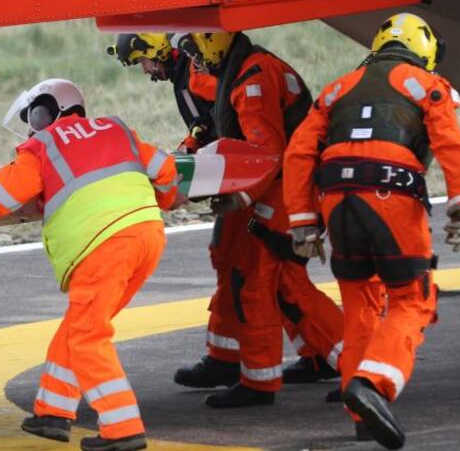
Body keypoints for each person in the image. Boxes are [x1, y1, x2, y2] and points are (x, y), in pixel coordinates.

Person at [0, 78, 182, 451]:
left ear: (46, 111)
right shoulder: (116, 128)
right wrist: (166, 199)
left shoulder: (42, 144)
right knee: (81, 325)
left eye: (34, 115)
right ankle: (53, 412)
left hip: (102, 246)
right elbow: (167, 169)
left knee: (88, 337)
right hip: (147, 236)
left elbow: (1, 197)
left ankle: (122, 428)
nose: (31, 124)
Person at [108, 33, 344, 395]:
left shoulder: (242, 77)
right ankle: (233, 358)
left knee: (266, 278)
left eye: (144, 60)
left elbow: (265, 150)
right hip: (273, 183)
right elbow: (217, 127)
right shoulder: (231, 69)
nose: (193, 59)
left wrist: (237, 192)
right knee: (234, 261)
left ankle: (347, 364)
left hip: (282, 186)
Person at [284, 13, 460, 449]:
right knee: (413, 297)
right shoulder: (427, 83)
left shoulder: (337, 87)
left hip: (336, 198)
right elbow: (450, 140)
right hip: (390, 193)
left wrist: (303, 221)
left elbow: (299, 151)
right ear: (424, 51)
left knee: (359, 306)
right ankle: (373, 385)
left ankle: (362, 415)